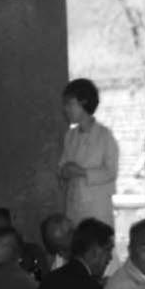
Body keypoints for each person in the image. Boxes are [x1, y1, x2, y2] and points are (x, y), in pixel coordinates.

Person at [58, 78, 118, 226]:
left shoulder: (105, 136)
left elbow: (111, 172)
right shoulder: (70, 136)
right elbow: (62, 168)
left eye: (70, 104)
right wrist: (64, 172)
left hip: (97, 210)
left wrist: (81, 172)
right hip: (74, 208)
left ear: (83, 103)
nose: (66, 109)